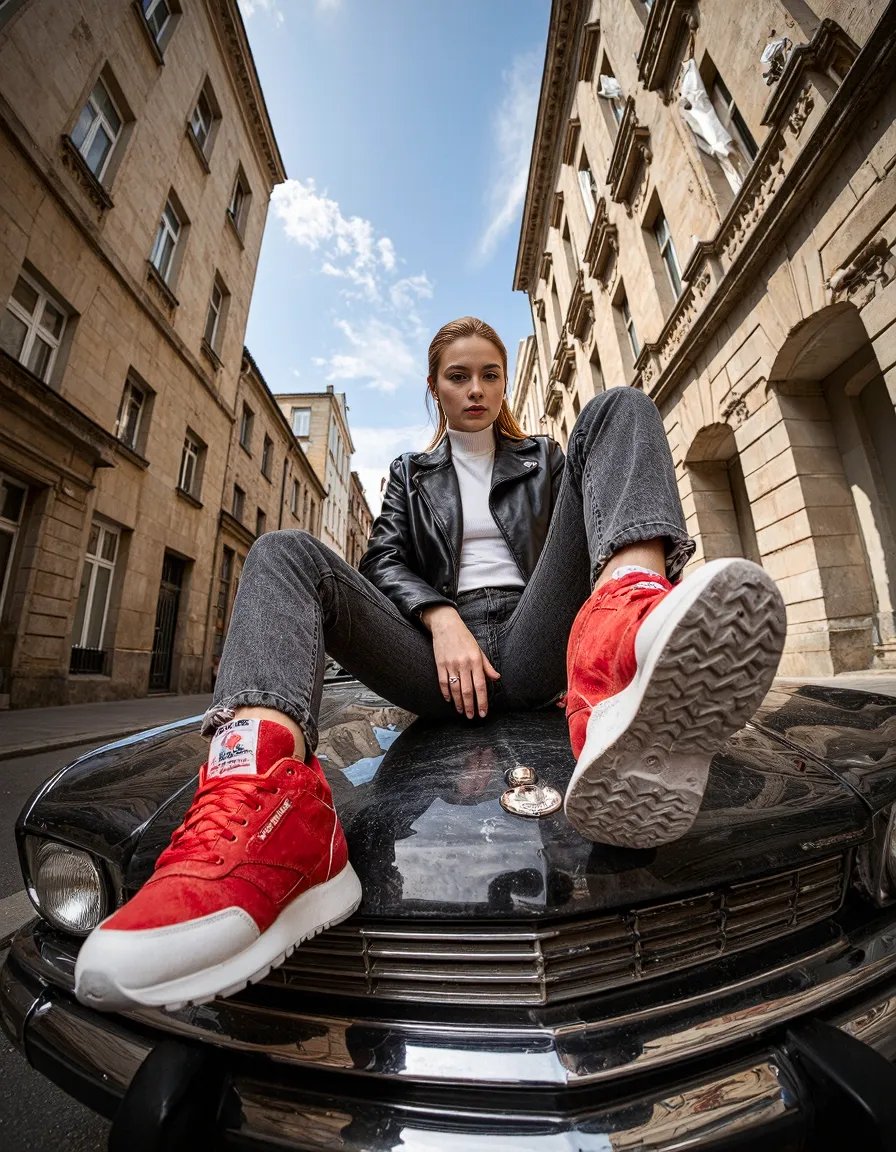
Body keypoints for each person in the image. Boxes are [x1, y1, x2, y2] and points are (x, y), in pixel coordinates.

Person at [74, 316, 785, 1013]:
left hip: (539, 638)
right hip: (438, 661)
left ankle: (620, 648)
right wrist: (439, 616)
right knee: (282, 552)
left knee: (618, 407)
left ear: (505, 383)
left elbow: (577, 537)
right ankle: (268, 813)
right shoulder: (411, 475)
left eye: (490, 374)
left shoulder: (545, 456)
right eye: (458, 376)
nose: (476, 388)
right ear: (434, 388)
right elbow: (381, 559)